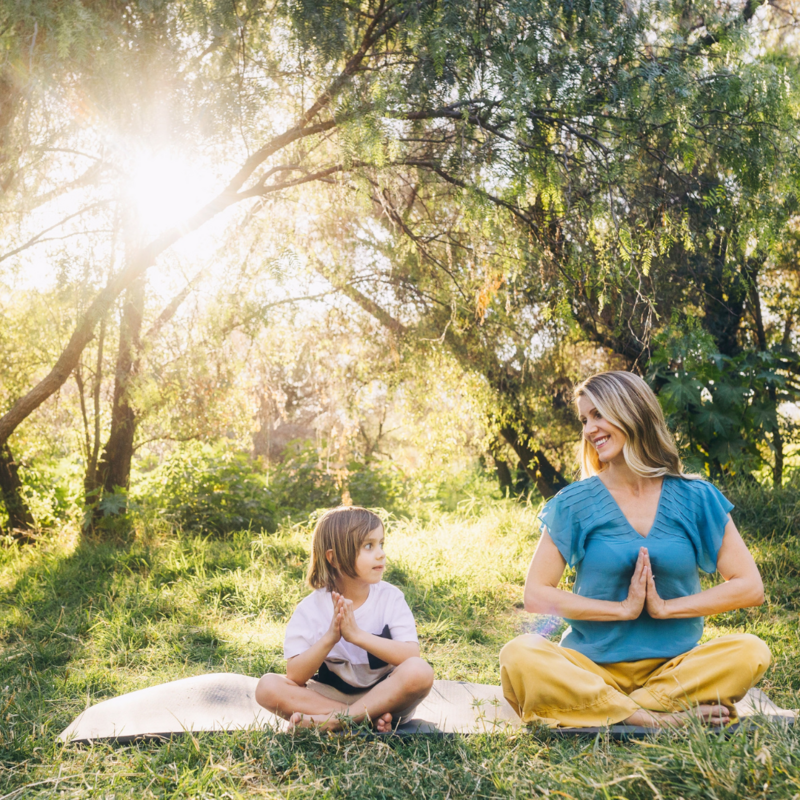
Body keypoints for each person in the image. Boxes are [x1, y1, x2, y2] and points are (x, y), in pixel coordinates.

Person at [500, 371, 771, 728]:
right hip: (589, 668)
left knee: (751, 650)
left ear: (633, 412)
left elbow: (750, 587)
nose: (588, 429)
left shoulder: (697, 497)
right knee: (519, 654)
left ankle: (603, 710)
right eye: (584, 419)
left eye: (598, 415)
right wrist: (622, 610)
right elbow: (536, 595)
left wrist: (664, 608)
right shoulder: (573, 502)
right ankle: (654, 718)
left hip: (674, 671)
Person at [256, 505, 433, 731]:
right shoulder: (311, 608)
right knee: (267, 686)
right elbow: (296, 675)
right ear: (335, 558)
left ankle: (339, 721)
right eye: (368, 546)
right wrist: (331, 637)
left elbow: (410, 655)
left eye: (381, 544)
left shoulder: (390, 598)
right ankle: (360, 718)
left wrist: (357, 636)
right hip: (329, 697)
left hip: (385, 696)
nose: (381, 553)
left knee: (420, 671)